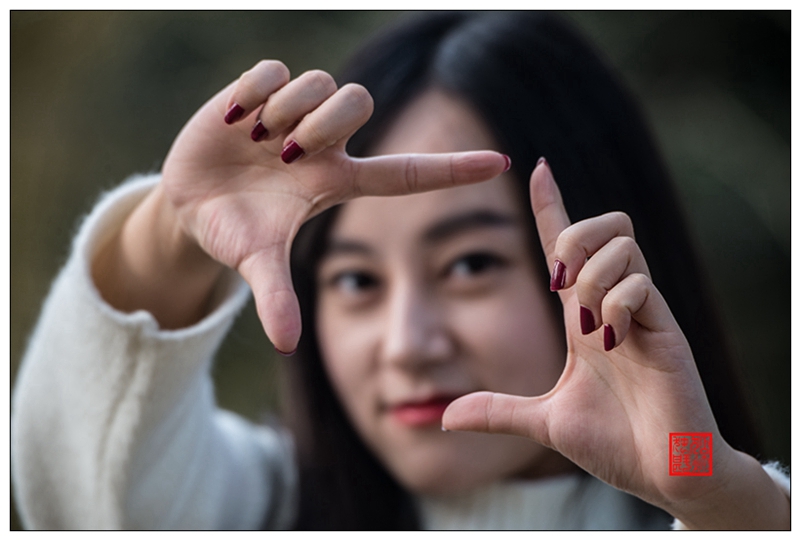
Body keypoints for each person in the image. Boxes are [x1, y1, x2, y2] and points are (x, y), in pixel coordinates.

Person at [11, 11, 789, 530]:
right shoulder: (256, 508)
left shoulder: (733, 511)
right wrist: (173, 227)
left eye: (471, 265)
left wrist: (716, 496)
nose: (407, 344)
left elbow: (709, 490)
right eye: (356, 280)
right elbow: (82, 491)